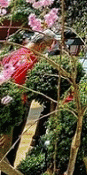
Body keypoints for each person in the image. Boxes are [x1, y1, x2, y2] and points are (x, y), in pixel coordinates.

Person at [2, 31, 57, 163]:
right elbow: (17, 86)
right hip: (16, 106)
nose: (45, 52)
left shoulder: (14, 53)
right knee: (11, 144)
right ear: (41, 45)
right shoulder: (29, 62)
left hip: (4, 103)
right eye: (46, 47)